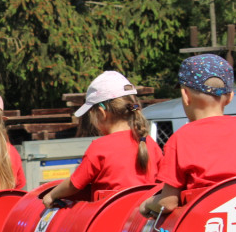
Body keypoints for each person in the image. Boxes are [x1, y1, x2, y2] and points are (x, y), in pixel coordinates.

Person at [141, 54, 236, 216]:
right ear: (230, 97)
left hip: (204, 228)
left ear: (185, 95)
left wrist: (146, 205)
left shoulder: (180, 139)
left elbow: (168, 202)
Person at [43, 70, 162, 207]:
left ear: (101, 113)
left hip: (111, 219)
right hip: (143, 220)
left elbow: (74, 184)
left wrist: (52, 195)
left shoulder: (100, 147)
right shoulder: (148, 143)